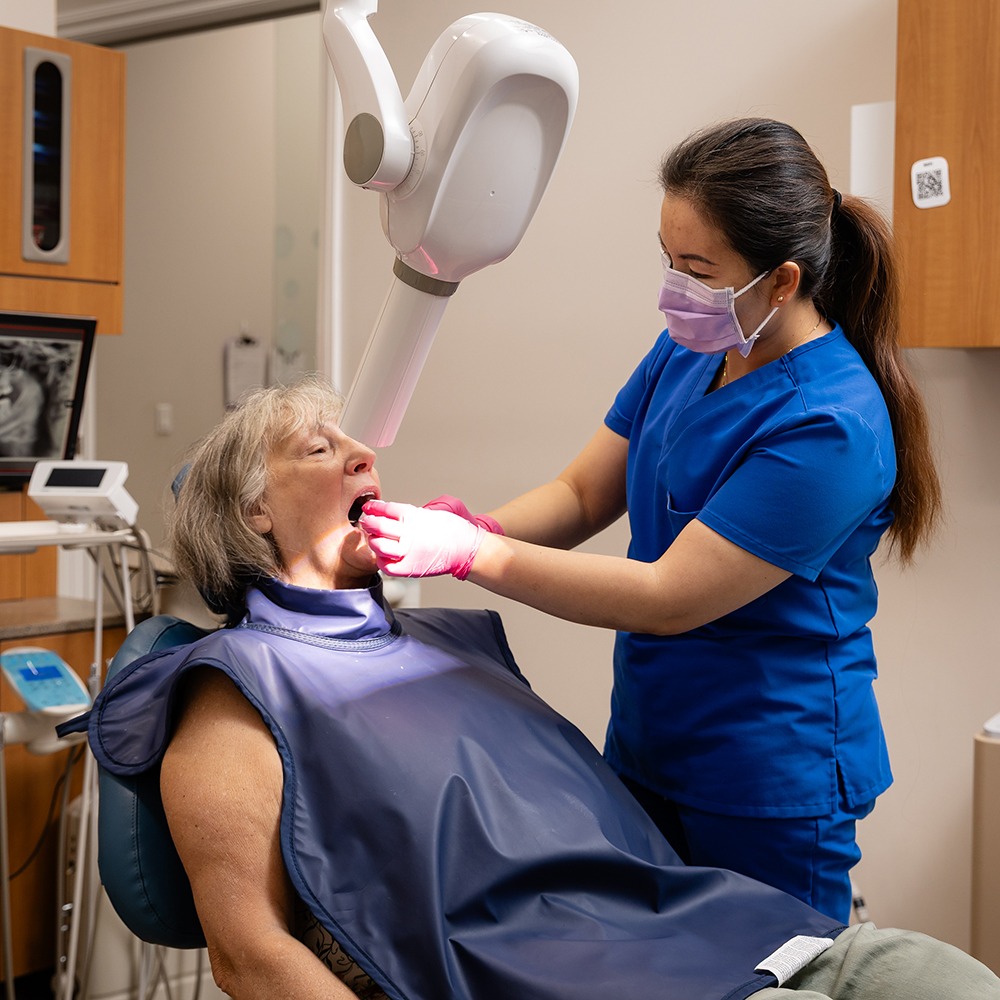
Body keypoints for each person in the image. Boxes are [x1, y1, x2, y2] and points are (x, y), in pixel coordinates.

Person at [61, 377, 991, 1000]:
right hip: (555, 978)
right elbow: (248, 954)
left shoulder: (446, 639)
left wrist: (477, 548)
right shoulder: (239, 686)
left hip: (705, 932)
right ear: (252, 511)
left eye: (359, 445)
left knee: (947, 980)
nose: (364, 459)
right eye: (319, 450)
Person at [358, 117, 944, 924]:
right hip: (652, 739)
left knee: (764, 973)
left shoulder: (832, 423)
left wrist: (471, 558)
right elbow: (581, 496)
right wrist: (478, 526)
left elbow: (671, 594)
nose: (676, 288)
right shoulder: (691, 349)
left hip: (768, 772)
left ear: (781, 280)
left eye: (698, 269)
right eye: (669, 261)